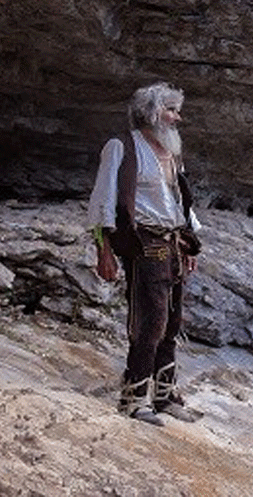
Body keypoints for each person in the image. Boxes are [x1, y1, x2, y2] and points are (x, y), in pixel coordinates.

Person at [88, 82, 202, 426]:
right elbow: (103, 199)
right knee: (150, 320)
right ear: (150, 113)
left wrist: (190, 239)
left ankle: (166, 396)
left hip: (173, 245)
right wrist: (103, 249)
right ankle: (134, 399)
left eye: (176, 110)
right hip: (146, 243)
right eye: (170, 109)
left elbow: (180, 200)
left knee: (173, 320)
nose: (177, 118)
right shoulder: (121, 147)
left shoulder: (171, 152)